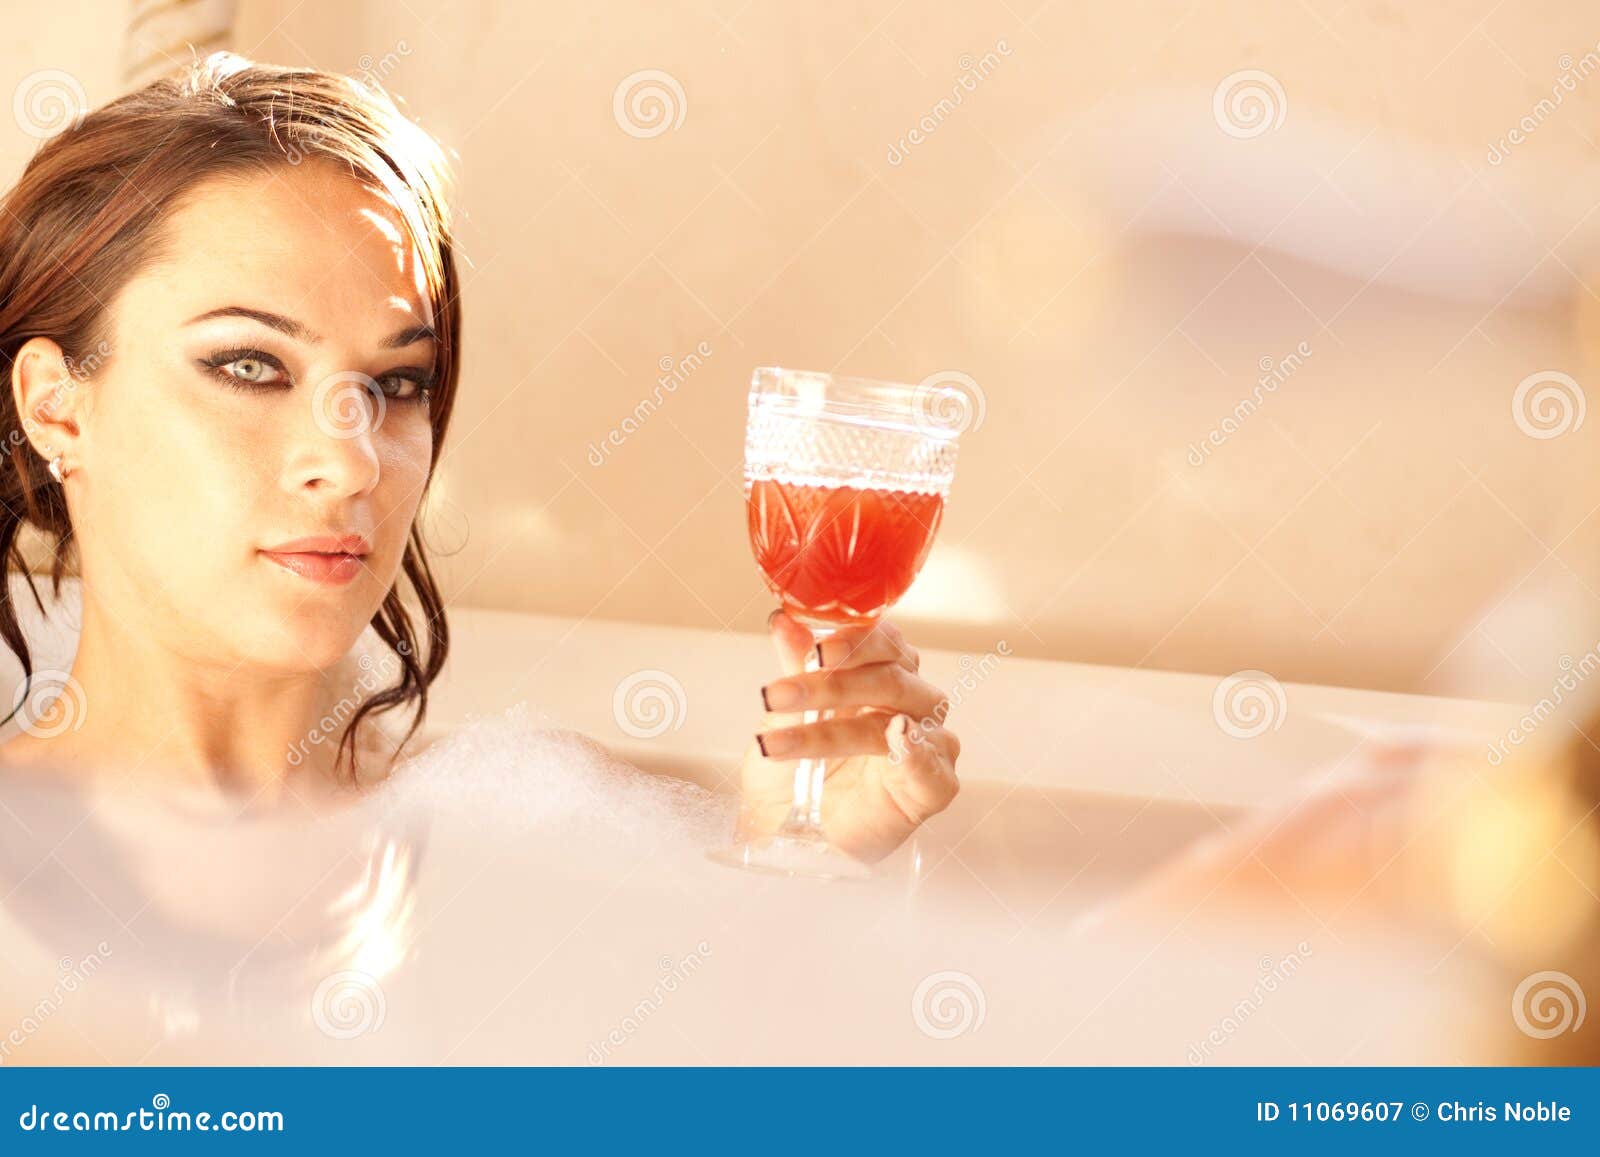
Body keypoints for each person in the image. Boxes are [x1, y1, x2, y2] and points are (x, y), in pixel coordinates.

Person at [0, 53, 962, 866]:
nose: (353, 462)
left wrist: (797, 866)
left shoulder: (541, 852)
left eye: (398, 382)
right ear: (55, 406)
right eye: (249, 366)